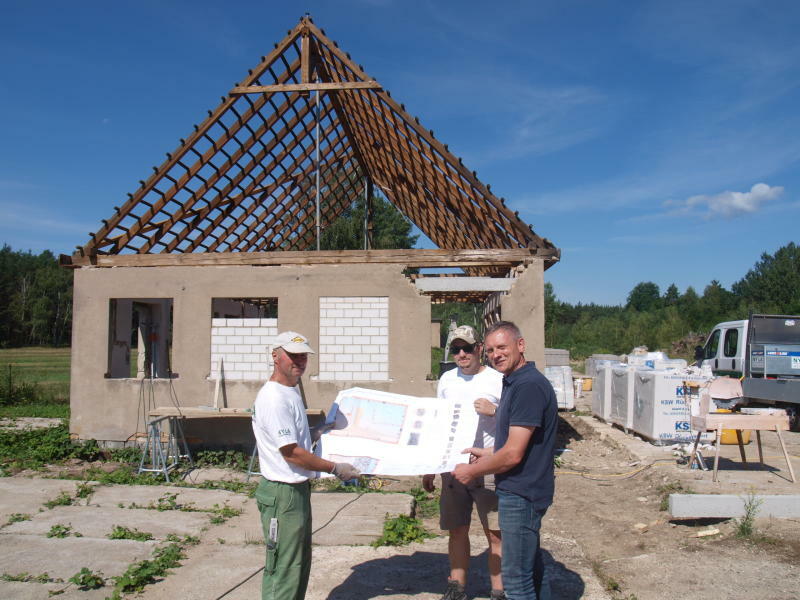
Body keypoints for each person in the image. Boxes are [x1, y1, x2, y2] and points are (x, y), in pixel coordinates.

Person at [452, 321, 557, 600]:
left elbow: (513, 454)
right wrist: (487, 453)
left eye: (502, 347)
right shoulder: (513, 381)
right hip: (524, 488)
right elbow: (517, 443)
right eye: (490, 350)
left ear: (520, 346)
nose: (495, 354)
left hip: (522, 492)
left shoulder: (528, 386)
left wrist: (471, 472)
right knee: (532, 571)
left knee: (515, 582)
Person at [252, 331, 360, 600]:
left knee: (298, 564)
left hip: (296, 490)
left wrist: (313, 433)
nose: (299, 361)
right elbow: (291, 453)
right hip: (282, 493)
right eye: (292, 355)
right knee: (284, 569)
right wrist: (334, 468)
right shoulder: (274, 397)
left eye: (303, 356)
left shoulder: (290, 391)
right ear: (275, 356)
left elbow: (291, 439)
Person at [423, 325, 505, 600]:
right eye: (456, 349)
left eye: (467, 348)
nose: (461, 353)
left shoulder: (498, 379)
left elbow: (517, 419)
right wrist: (430, 465)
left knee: (496, 533)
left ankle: (499, 591)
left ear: (479, 348)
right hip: (453, 467)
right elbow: (438, 423)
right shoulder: (446, 380)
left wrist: (496, 410)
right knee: (457, 529)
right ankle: (457, 587)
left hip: (488, 468)